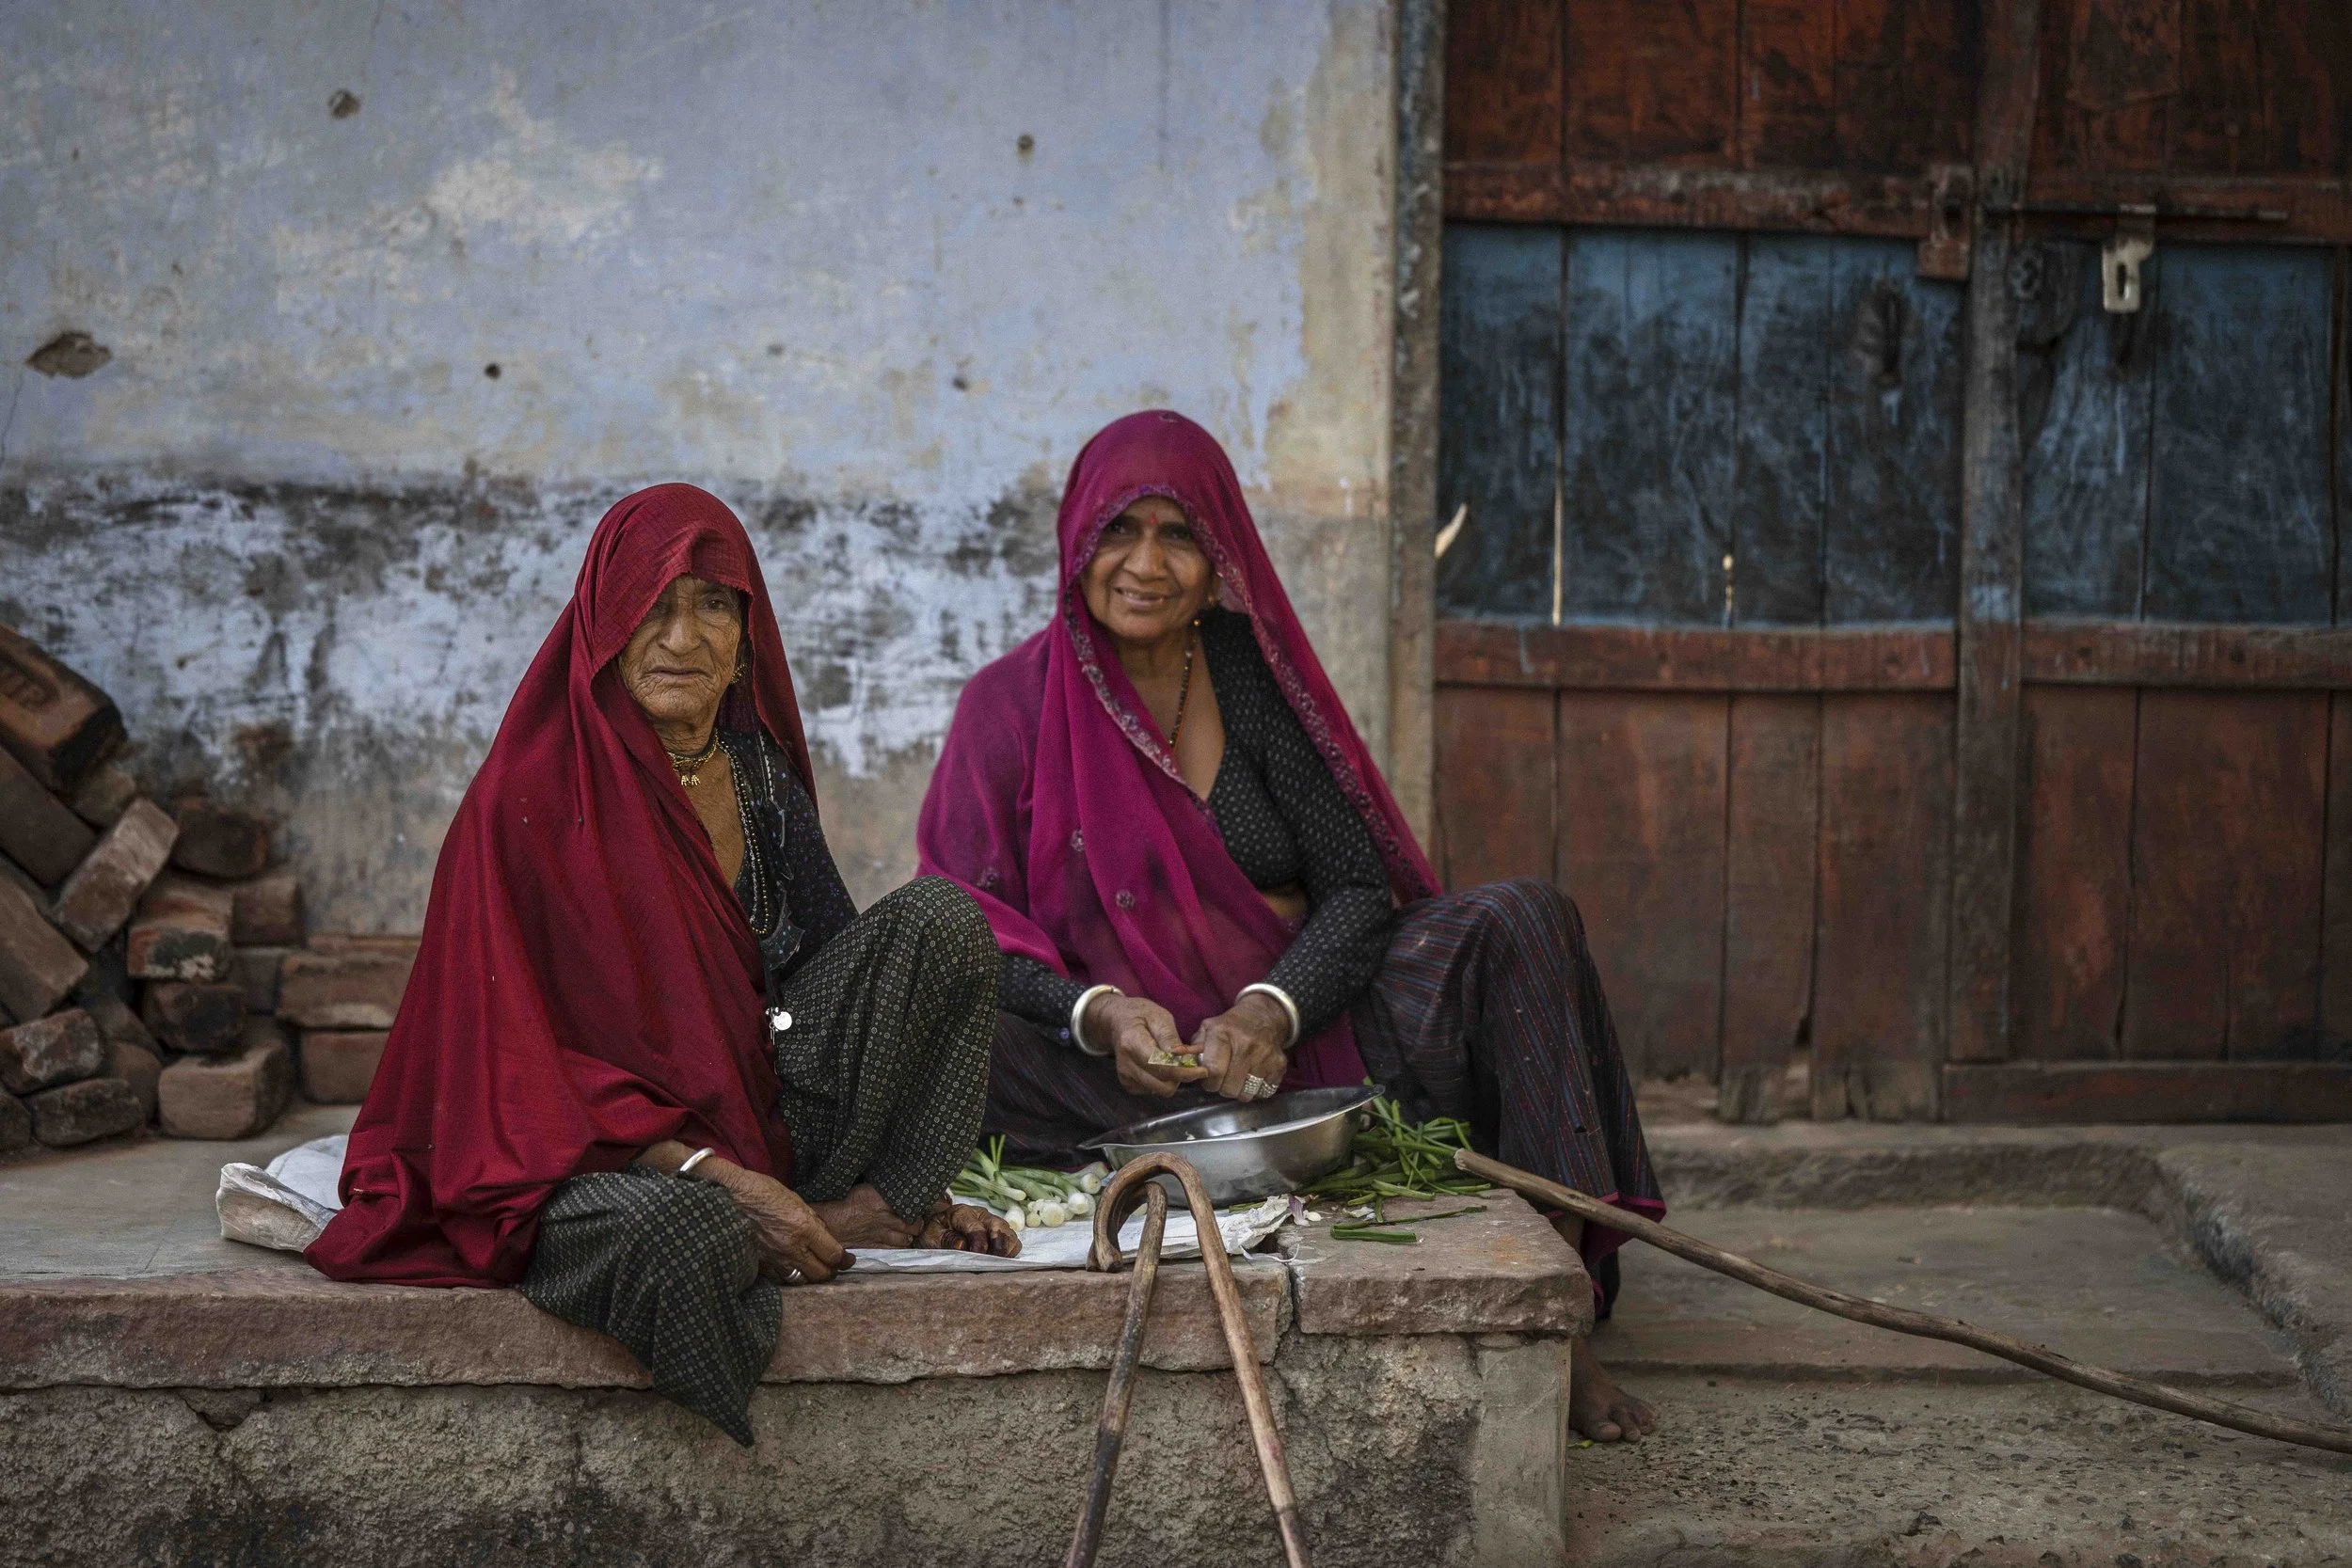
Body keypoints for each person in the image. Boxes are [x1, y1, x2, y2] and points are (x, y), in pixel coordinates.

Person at [918, 411, 1662, 1442]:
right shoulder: (1005, 707)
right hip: (1114, 1079)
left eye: (1177, 534)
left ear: (1218, 551)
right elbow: (967, 917)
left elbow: (1358, 890)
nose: (1145, 564)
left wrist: (1270, 1007)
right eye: (1117, 531)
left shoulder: (1244, 678)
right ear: (1075, 543)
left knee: (1517, 918)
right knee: (928, 992)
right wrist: (1097, 1013)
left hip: (1311, 1052)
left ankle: (1561, 1315)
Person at [308, 483, 1017, 1445]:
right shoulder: (525, 799)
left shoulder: (757, 771)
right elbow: (514, 1069)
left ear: (745, 638)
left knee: (942, 918)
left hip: (752, 1109)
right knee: (689, 1234)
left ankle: (877, 1208)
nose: (681, 634)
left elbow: (838, 968)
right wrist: (717, 1174)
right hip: (594, 1150)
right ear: (602, 621)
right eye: (652, 602)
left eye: (713, 603)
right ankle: (811, 1225)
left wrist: (879, 1145)